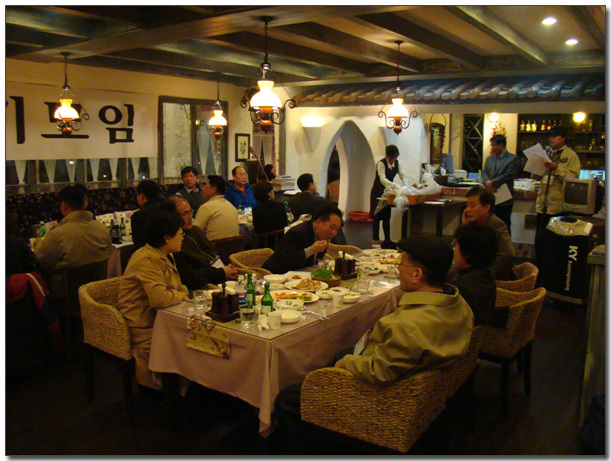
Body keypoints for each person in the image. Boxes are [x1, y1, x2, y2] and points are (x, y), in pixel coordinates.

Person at [275, 234, 473, 428]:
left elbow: (379, 372)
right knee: (342, 351)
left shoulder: (408, 325)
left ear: (416, 274)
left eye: (402, 263)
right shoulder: (460, 304)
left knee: (287, 397)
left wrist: (347, 364)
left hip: (384, 399)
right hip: (419, 384)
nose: (398, 268)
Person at [117, 208, 190, 390]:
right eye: (180, 233)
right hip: (144, 326)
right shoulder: (147, 259)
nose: (182, 237)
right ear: (166, 237)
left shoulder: (166, 254)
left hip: (165, 319)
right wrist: (181, 296)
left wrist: (180, 294)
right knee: (191, 348)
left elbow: (179, 287)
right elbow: (160, 299)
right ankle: (175, 394)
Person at [163, 196, 238, 290]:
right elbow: (189, 278)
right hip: (201, 287)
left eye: (190, 212)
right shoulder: (174, 242)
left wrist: (226, 270)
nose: (190, 217)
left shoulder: (196, 231)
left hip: (218, 277)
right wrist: (221, 273)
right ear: (172, 216)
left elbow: (212, 255)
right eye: (185, 214)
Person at [533, 125, 580, 270]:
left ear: (564, 138)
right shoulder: (546, 153)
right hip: (542, 206)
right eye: (550, 136)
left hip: (558, 208)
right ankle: (539, 274)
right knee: (540, 244)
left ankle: (552, 276)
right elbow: (535, 176)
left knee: (554, 247)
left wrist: (556, 168)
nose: (551, 139)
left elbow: (573, 179)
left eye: (555, 136)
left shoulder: (570, 156)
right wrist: (536, 168)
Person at [34, 184, 111, 272]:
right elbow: (110, 254)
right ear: (85, 204)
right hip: (100, 280)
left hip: (64, 281)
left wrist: (38, 244)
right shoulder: (102, 229)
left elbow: (39, 260)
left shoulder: (57, 234)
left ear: (63, 205)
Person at [449, 221, 508, 327]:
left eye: (456, 245)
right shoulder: (485, 276)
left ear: (467, 252)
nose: (454, 249)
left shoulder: (461, 287)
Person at [262, 204, 342, 274]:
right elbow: (285, 260)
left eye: (337, 229)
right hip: (273, 275)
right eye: (332, 227)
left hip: (300, 276)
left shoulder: (323, 236)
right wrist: (311, 250)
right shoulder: (297, 232)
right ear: (319, 222)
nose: (333, 232)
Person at [462, 186, 516, 280]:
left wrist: (485, 276)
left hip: (493, 279)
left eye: (472, 206)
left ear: (487, 207)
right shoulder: (474, 223)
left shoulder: (495, 224)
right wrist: (465, 227)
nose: (468, 210)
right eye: (467, 206)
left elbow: (508, 255)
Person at [369, 145, 408, 249]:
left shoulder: (397, 163)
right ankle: (376, 241)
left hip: (388, 193)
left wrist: (406, 186)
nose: (394, 159)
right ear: (388, 156)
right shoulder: (381, 164)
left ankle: (387, 240)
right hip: (378, 193)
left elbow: (402, 175)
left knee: (386, 217)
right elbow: (382, 179)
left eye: (396, 157)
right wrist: (394, 185)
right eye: (392, 157)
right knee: (376, 218)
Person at [482, 134, 521, 235]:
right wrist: (487, 182)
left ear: (501, 145)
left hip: (504, 198)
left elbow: (508, 175)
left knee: (504, 225)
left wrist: (493, 182)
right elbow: (484, 172)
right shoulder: (490, 159)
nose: (492, 148)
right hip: (490, 196)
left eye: (494, 145)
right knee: (488, 226)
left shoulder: (513, 159)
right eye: (491, 145)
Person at [193, 175, 239, 241]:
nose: (202, 189)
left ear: (214, 189)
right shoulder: (231, 207)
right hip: (234, 246)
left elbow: (195, 232)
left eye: (205, 186)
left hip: (212, 246)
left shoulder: (206, 207)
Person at [131, 179, 162, 250]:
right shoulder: (169, 208)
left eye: (137, 195)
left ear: (141, 196)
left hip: (150, 254)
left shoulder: (138, 216)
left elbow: (139, 245)